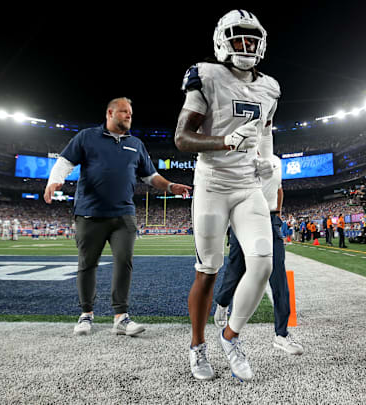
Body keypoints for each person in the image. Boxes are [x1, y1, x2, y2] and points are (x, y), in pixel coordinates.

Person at [175, 9, 279, 382]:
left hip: (248, 185)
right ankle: (197, 347)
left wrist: (266, 161)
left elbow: (265, 131)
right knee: (208, 272)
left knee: (263, 262)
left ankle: (231, 336)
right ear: (223, 40)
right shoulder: (207, 75)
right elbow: (182, 138)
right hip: (213, 184)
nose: (246, 45)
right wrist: (224, 141)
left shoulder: (270, 87)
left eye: (252, 39)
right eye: (239, 38)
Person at [45, 97, 191, 337]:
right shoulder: (86, 137)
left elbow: (150, 176)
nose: (129, 116)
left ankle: (121, 317)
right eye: (124, 112)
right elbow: (65, 161)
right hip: (89, 213)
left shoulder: (136, 143)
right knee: (87, 265)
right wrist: (54, 181)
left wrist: (170, 186)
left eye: (130, 113)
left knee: (124, 262)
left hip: (123, 215)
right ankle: (86, 314)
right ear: (110, 113)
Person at [213, 155, 304, 357]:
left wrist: (278, 213)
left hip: (270, 219)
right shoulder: (240, 156)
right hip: (243, 217)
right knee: (236, 269)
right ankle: (222, 302)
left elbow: (279, 189)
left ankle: (281, 334)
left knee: (278, 275)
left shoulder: (275, 160)